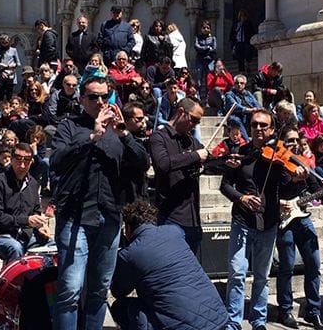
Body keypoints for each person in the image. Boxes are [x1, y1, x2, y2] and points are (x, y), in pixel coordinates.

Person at [50, 76, 149, 329]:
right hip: (76, 216)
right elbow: (58, 161)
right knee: (70, 290)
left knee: (99, 290)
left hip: (109, 216)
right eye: (93, 96)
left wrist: (125, 134)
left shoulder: (119, 132)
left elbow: (142, 163)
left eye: (105, 96)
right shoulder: (69, 126)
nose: (100, 101)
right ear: (82, 99)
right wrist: (92, 136)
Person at [219, 109, 309, 330]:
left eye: (263, 125)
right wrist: (241, 198)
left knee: (262, 276)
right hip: (242, 221)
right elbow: (225, 185)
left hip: (268, 223)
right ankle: (234, 322)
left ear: (271, 129)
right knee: (237, 273)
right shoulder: (240, 153)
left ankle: (259, 321)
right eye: (254, 125)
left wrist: (298, 179)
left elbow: (287, 189)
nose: (258, 129)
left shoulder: (278, 157)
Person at [109, 200, 228, 330]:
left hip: (184, 326)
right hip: (219, 320)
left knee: (122, 308)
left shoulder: (130, 254)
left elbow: (118, 291)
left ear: (128, 227)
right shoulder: (174, 232)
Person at [274, 128, 323, 330]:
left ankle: (313, 312)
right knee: (287, 267)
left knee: (314, 264)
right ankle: (285, 310)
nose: (292, 144)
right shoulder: (276, 164)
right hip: (284, 217)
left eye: (295, 140)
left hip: (302, 216)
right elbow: (271, 191)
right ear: (282, 143)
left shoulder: (305, 163)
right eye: (288, 141)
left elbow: (318, 190)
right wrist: (291, 181)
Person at [149, 97, 207, 252]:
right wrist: (194, 156)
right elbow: (163, 164)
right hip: (170, 217)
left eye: (198, 122)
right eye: (194, 120)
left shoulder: (191, 141)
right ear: (181, 112)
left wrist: (226, 161)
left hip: (193, 218)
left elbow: (208, 160)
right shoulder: (159, 137)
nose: (195, 125)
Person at [0, 142, 51, 264]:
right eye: (18, 159)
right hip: (0, 235)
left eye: (26, 160)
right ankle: (13, 282)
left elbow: (36, 210)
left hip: (26, 234)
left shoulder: (33, 183)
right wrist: (26, 220)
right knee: (15, 248)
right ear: (11, 159)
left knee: (52, 247)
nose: (22, 165)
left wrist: (41, 225)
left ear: (31, 162)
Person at [120, 102, 151, 202]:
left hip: (139, 194)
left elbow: (144, 162)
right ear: (126, 120)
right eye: (138, 119)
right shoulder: (118, 139)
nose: (143, 122)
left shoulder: (138, 138)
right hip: (123, 195)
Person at [224, 74, 261, 142]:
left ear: (245, 84)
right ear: (234, 84)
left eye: (241, 83)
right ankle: (247, 141)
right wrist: (248, 110)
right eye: (237, 83)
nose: (239, 85)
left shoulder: (248, 93)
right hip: (236, 116)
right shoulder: (229, 94)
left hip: (247, 116)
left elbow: (256, 103)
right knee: (235, 119)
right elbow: (235, 106)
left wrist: (258, 109)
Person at [0, 34, 24, 102]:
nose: (5, 44)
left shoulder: (13, 50)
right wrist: (0, 65)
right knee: (0, 97)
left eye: (6, 42)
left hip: (10, 76)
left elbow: (18, 63)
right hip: (0, 76)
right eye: (3, 43)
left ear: (9, 42)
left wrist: (13, 65)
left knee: (9, 96)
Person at [194, 20, 217, 104]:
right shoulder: (198, 37)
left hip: (209, 61)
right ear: (201, 29)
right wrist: (207, 48)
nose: (206, 29)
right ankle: (199, 98)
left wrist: (203, 48)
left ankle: (207, 99)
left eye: (208, 28)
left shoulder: (213, 38)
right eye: (204, 28)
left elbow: (214, 50)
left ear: (210, 29)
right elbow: (196, 47)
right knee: (199, 81)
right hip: (199, 60)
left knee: (209, 81)